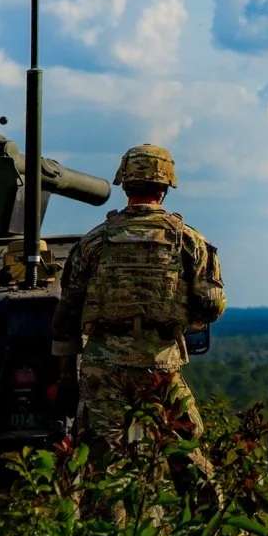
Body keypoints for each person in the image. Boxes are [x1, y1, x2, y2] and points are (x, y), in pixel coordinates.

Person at [52, 143, 226, 467]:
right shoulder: (189, 241)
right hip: (159, 364)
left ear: (125, 184)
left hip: (103, 366)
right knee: (184, 449)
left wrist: (66, 377)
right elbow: (211, 305)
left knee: (103, 460)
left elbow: (67, 312)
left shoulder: (94, 240)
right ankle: (204, 502)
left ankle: (115, 502)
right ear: (165, 187)